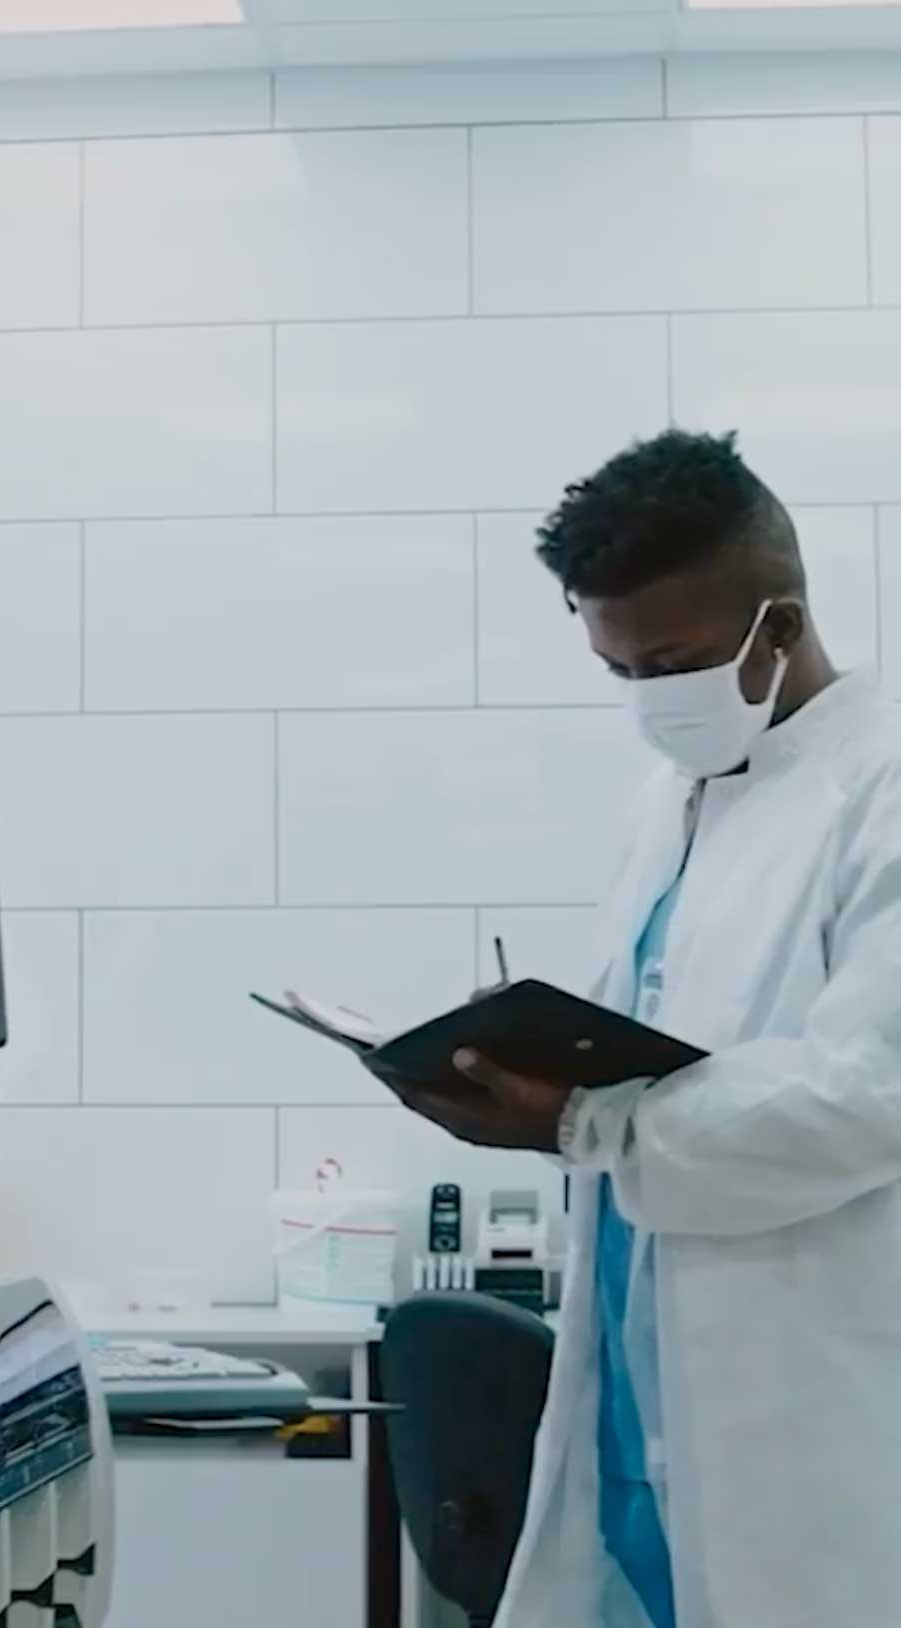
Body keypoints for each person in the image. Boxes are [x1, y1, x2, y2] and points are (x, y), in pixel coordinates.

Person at [386, 429, 901, 1628]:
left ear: (776, 627)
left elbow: (870, 1092)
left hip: (809, 1397)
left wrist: (577, 1116)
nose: (645, 701)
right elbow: (659, 1050)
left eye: (666, 662)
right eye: (616, 671)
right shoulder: (671, 803)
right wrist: (532, 1060)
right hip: (639, 1374)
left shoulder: (881, 786)